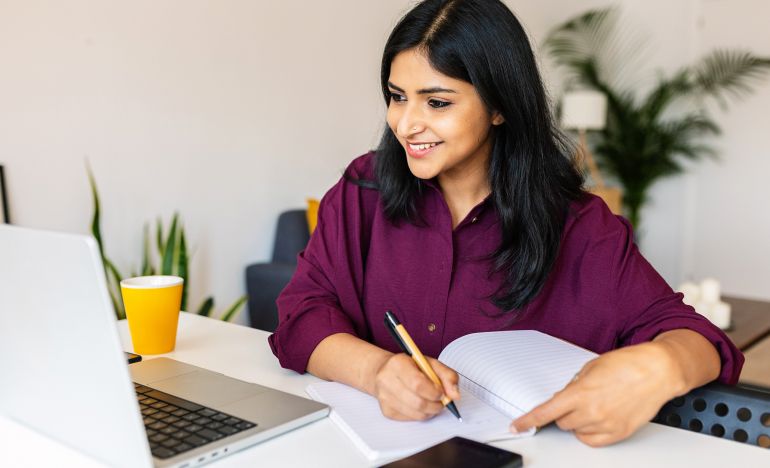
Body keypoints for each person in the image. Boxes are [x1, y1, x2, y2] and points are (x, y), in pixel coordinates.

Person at [268, 0, 743, 447]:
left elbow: (698, 339)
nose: (406, 124)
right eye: (397, 97)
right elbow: (302, 314)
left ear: (499, 106)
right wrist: (376, 372)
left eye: (437, 103)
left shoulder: (581, 227)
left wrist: (660, 366)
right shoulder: (364, 189)